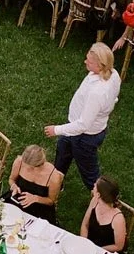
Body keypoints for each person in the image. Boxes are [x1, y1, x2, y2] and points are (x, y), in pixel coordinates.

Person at [44, 42, 120, 190]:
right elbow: (114, 97)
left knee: (89, 174)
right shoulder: (113, 74)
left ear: (100, 66)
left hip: (84, 137)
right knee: (62, 151)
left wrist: (56, 130)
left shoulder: (97, 93)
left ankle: (100, 195)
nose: (85, 62)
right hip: (75, 129)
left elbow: (83, 124)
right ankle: (56, 183)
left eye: (89, 62)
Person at [5, 144, 63, 223]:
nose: (28, 169)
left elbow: (51, 201)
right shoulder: (19, 161)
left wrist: (35, 198)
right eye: (25, 166)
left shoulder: (54, 177)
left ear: (41, 164)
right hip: (18, 201)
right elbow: (11, 179)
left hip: (39, 208)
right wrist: (14, 186)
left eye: (31, 168)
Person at [80, 175, 127, 254]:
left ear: (98, 195)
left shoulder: (118, 219)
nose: (93, 185)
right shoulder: (94, 201)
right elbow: (85, 225)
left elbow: (119, 246)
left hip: (106, 253)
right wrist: (84, 243)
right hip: (89, 247)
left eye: (95, 186)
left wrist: (97, 250)